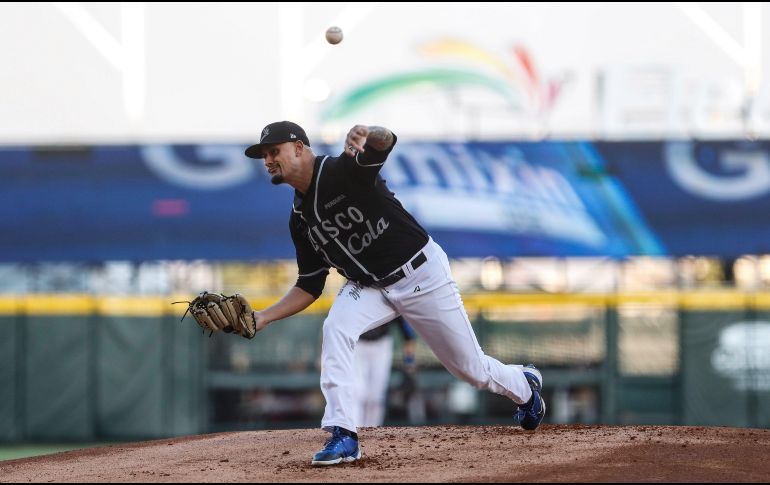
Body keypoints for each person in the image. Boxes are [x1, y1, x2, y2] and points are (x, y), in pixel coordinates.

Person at [244, 121, 545, 466]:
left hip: (420, 273)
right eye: (264, 155)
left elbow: (383, 143)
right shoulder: (299, 218)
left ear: (299, 147)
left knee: (470, 369)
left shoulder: (342, 170)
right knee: (335, 329)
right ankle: (343, 433)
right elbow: (310, 284)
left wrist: (368, 134)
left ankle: (524, 387)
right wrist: (263, 316)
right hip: (369, 286)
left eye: (273, 151)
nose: (267, 160)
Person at [353, 316, 417, 428]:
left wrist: (409, 364)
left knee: (376, 396)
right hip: (357, 344)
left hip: (381, 345)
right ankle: (354, 430)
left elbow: (408, 334)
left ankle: (372, 432)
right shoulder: (355, 299)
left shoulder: (389, 299)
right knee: (357, 392)